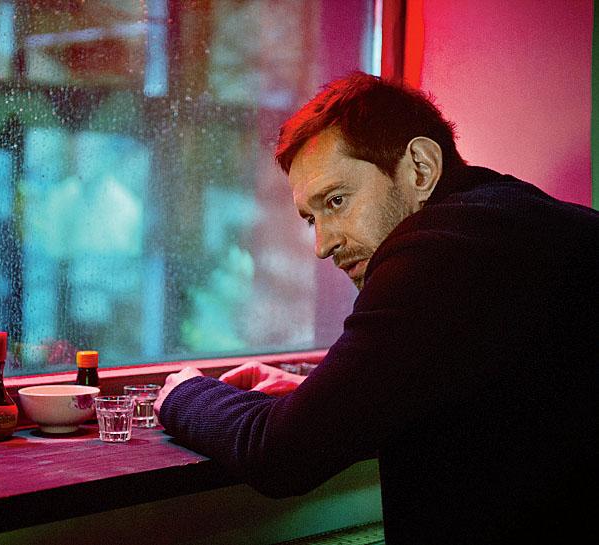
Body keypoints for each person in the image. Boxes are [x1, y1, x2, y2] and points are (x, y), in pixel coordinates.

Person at [153, 72, 598, 544]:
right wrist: (326, 392)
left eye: (336, 201)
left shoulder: (438, 252)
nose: (323, 245)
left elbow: (280, 455)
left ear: (421, 168)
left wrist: (184, 392)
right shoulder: (514, 224)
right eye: (312, 219)